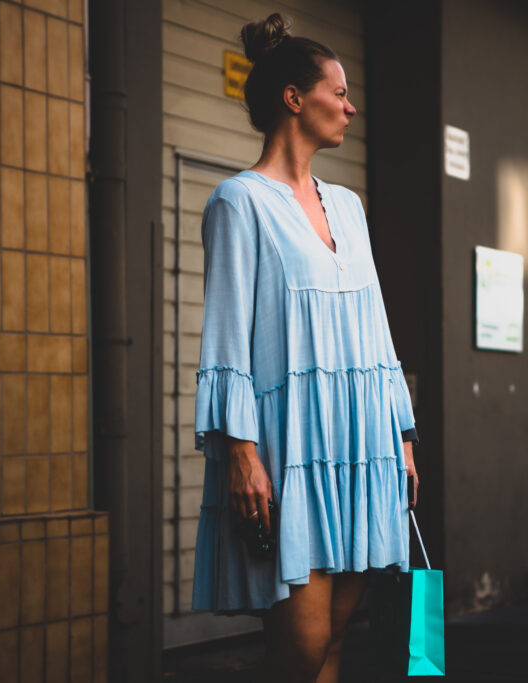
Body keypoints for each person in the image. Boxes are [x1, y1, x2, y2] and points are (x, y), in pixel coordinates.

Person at [191, 14, 419, 683]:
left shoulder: (348, 206)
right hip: (288, 451)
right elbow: (226, 336)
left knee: (336, 638)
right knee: (302, 640)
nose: (351, 106)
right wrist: (240, 452)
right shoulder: (238, 203)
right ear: (294, 98)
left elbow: (376, 327)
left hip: (361, 445)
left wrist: (401, 434)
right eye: (338, 91)